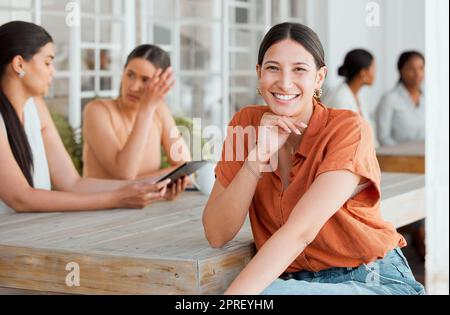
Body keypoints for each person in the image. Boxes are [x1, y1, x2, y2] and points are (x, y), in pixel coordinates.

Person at [202, 22, 425, 295]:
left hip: (371, 278)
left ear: (319, 78)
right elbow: (217, 233)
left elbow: (301, 232)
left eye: (299, 69)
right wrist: (258, 155)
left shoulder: (348, 129)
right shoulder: (246, 124)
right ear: (259, 73)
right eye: (273, 68)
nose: (285, 82)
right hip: (296, 281)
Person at [0, 21, 172, 213]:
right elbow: (21, 198)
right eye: (48, 62)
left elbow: (73, 183)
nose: (53, 71)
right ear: (19, 64)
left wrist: (148, 187)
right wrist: (117, 198)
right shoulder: (98, 110)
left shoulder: (36, 106)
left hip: (33, 232)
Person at [82, 45, 191, 200]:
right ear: (123, 73)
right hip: (97, 214)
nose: (134, 86)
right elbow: (124, 174)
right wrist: (146, 110)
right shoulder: (97, 111)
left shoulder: (159, 111)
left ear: (161, 84)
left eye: (145, 80)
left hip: (145, 211)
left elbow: (186, 168)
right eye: (130, 75)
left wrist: (152, 187)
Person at [376, 51, 425, 146]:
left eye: (421, 68)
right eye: (411, 69)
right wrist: (403, 154)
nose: (417, 73)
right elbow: (383, 137)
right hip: (398, 157)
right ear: (401, 70)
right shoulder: (389, 99)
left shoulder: (429, 99)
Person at [325, 49, 376, 119]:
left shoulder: (356, 95)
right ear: (363, 73)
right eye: (373, 68)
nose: (375, 73)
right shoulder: (341, 99)